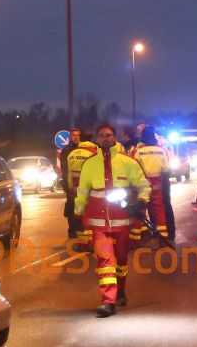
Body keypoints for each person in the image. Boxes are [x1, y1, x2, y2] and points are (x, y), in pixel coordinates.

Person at [73, 122, 150, 317]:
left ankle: (121, 291)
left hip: (122, 221)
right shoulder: (90, 164)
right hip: (99, 223)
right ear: (96, 139)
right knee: (105, 260)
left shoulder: (128, 162)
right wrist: (78, 211)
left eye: (108, 135)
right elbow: (82, 190)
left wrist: (141, 202)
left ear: (114, 137)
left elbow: (143, 185)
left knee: (121, 260)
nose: (105, 138)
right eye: (101, 135)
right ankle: (108, 301)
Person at [128, 123, 174, 246]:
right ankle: (163, 237)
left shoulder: (138, 151)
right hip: (157, 183)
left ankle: (136, 239)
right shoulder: (161, 151)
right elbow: (166, 169)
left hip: (142, 183)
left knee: (140, 209)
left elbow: (132, 167)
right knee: (159, 210)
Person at [60, 127, 88, 240]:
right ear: (70, 137)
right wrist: (67, 185)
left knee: (83, 208)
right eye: (73, 135)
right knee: (71, 209)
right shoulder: (66, 150)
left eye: (78, 135)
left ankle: (82, 230)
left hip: (85, 185)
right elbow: (64, 168)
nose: (76, 137)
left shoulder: (86, 149)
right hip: (71, 185)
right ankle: (72, 232)